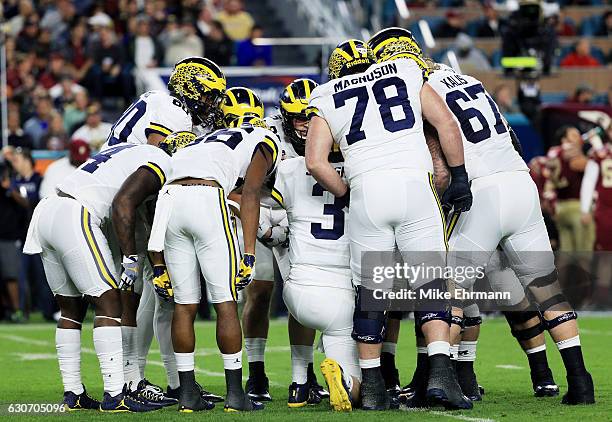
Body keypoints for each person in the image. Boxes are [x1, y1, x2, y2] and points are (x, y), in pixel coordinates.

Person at [307, 35, 472, 410]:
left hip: (368, 189)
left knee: (372, 291)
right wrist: (459, 176)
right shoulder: (405, 69)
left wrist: (348, 193)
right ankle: (441, 377)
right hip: (414, 184)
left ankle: (375, 387)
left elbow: (315, 162)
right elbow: (446, 123)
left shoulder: (326, 94)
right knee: (431, 283)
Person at [99, 56, 226, 406]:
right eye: (209, 95)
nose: (212, 104)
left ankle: (172, 381)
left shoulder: (168, 107)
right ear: (190, 89)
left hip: (133, 197)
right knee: (137, 290)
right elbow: (157, 163)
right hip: (128, 199)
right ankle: (131, 379)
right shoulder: (170, 107)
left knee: (163, 293)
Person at [23, 137, 179, 412]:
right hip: (75, 214)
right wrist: (131, 256)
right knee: (109, 303)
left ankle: (73, 393)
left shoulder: (125, 149)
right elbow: (123, 203)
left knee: (70, 310)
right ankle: (115, 394)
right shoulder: (162, 161)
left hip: (47, 210)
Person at [147, 115, 278, 412]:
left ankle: (187, 395)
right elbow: (251, 193)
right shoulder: (266, 139)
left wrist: (157, 263)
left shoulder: (209, 140)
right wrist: (249, 252)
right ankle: (235, 395)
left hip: (170, 201)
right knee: (225, 301)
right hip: (206, 197)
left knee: (184, 303)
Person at [238, 81, 327, 404]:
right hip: (259, 209)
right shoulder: (266, 133)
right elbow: (239, 184)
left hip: (301, 214)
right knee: (260, 290)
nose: (304, 124)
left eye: (309, 116)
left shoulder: (328, 124)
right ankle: (256, 370)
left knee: (300, 295)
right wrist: (259, 223)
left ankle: (302, 375)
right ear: (285, 115)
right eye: (298, 117)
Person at [273, 134, 358, 412]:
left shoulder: (291, 168)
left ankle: (299, 382)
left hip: (297, 287)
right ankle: (345, 378)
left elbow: (249, 195)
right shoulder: (362, 168)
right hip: (342, 291)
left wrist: (266, 232)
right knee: (362, 385)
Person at [546, 126, 594, 252]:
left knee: (567, 254)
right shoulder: (571, 151)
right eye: (574, 135)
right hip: (577, 207)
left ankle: (562, 273)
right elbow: (584, 166)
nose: (579, 137)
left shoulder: (553, 152)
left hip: (561, 207)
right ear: (564, 139)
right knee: (584, 253)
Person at [580, 137, 612, 308]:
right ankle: (602, 298)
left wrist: (585, 208)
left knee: (605, 258)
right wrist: (585, 209)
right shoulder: (599, 155)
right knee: (605, 257)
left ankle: (601, 297)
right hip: (606, 211)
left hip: (605, 211)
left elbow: (588, 182)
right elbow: (589, 182)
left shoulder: (600, 155)